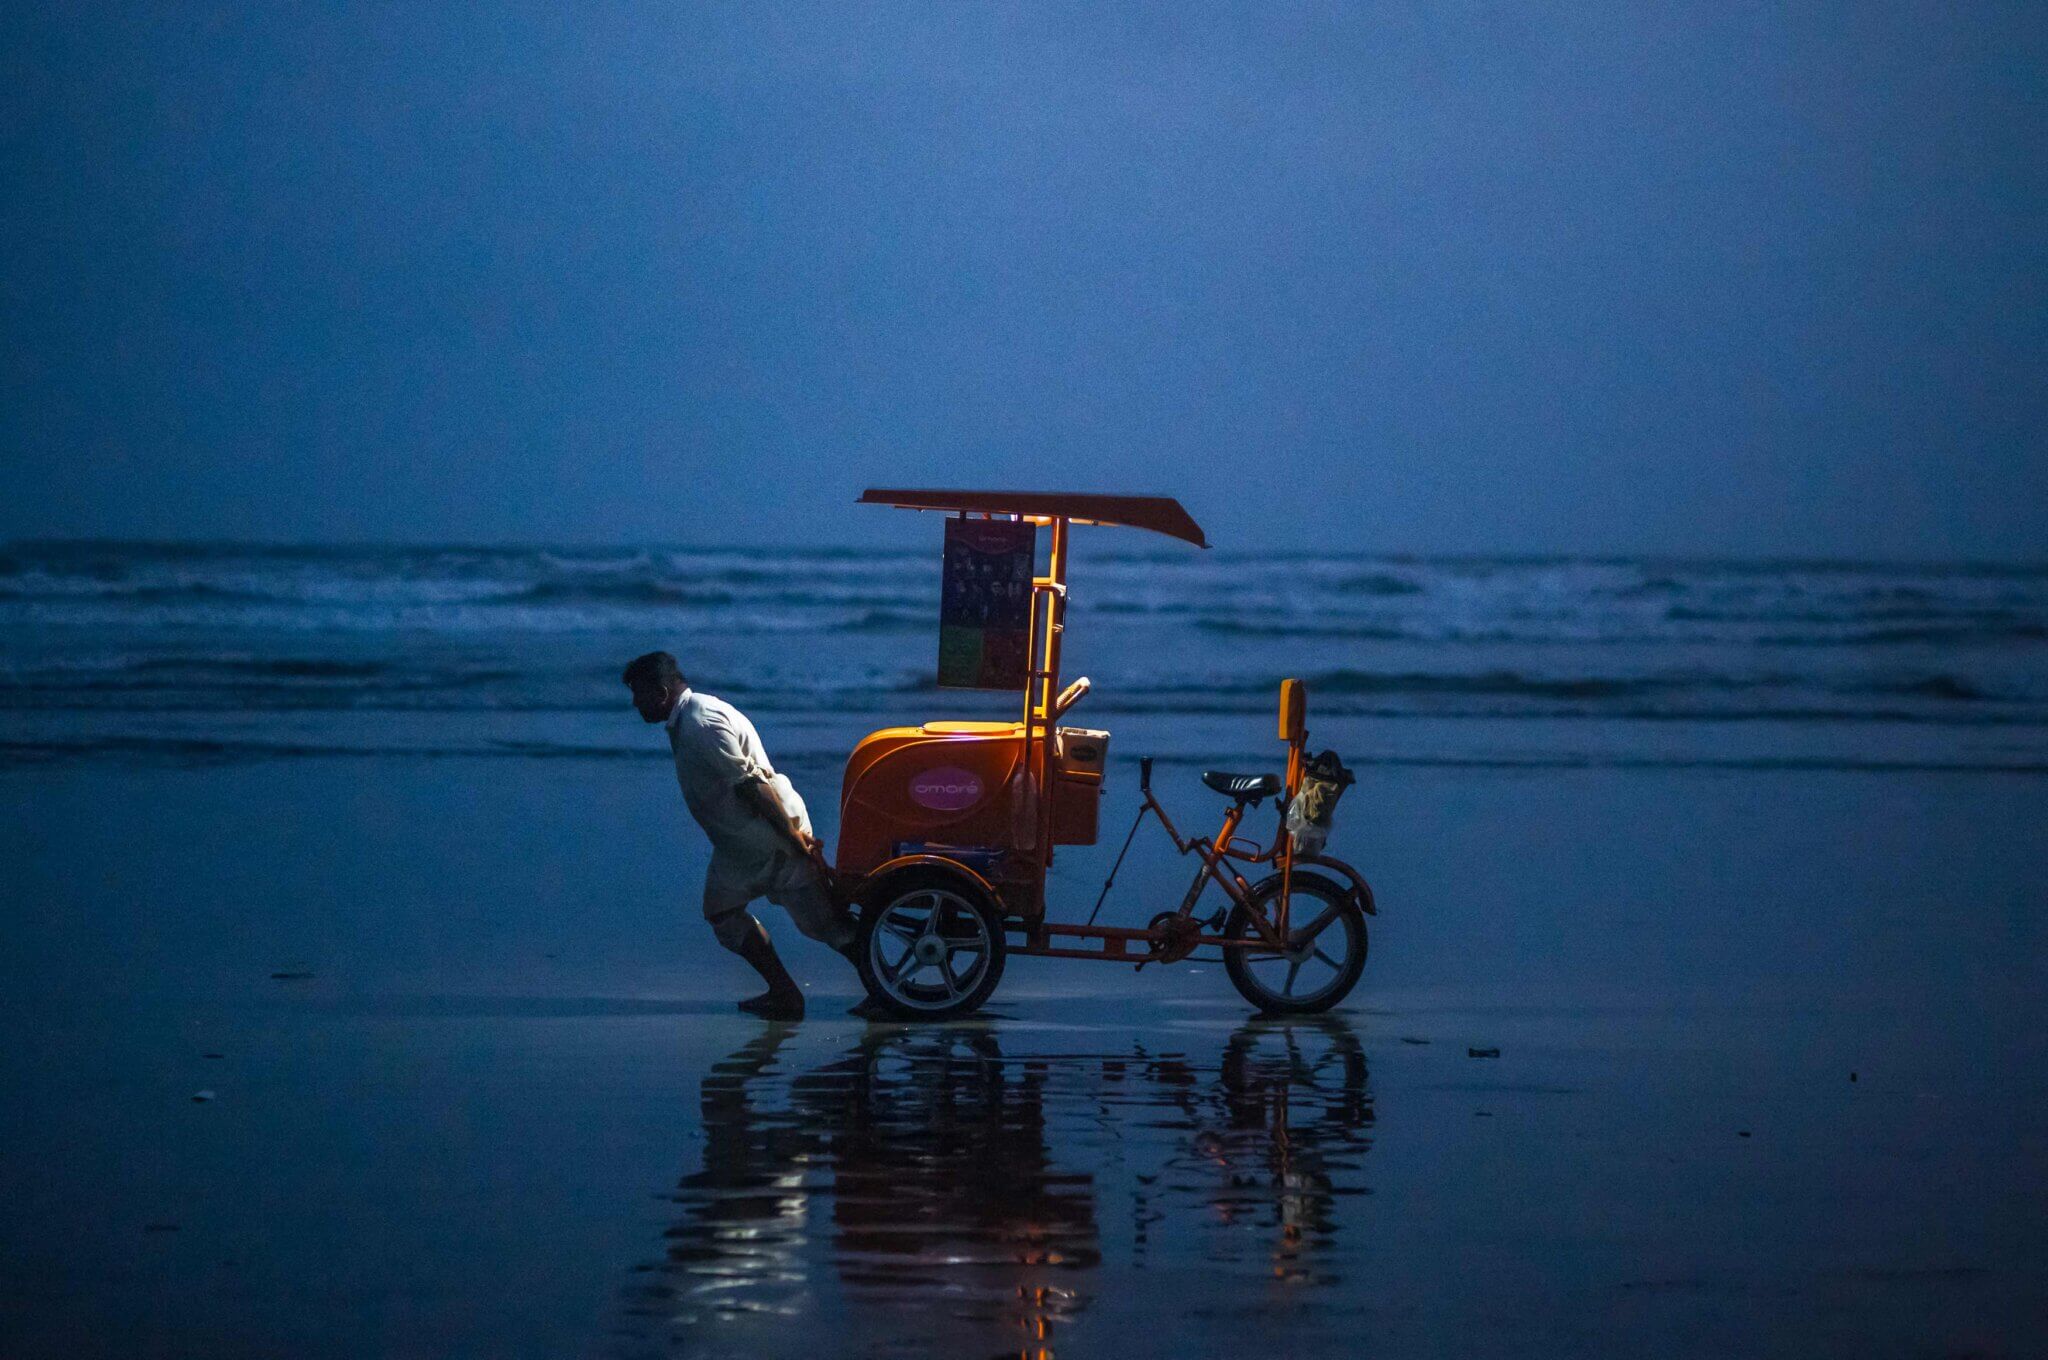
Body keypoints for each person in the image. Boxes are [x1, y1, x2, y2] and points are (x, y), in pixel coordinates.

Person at [624, 650, 860, 1020]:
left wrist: (794, 840)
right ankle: (785, 993)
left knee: (829, 928)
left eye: (639, 694)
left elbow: (752, 785)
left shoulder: (701, 723)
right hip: (740, 848)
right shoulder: (686, 718)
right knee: (721, 913)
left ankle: (891, 991)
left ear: (661, 691)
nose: (635, 704)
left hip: (771, 841)